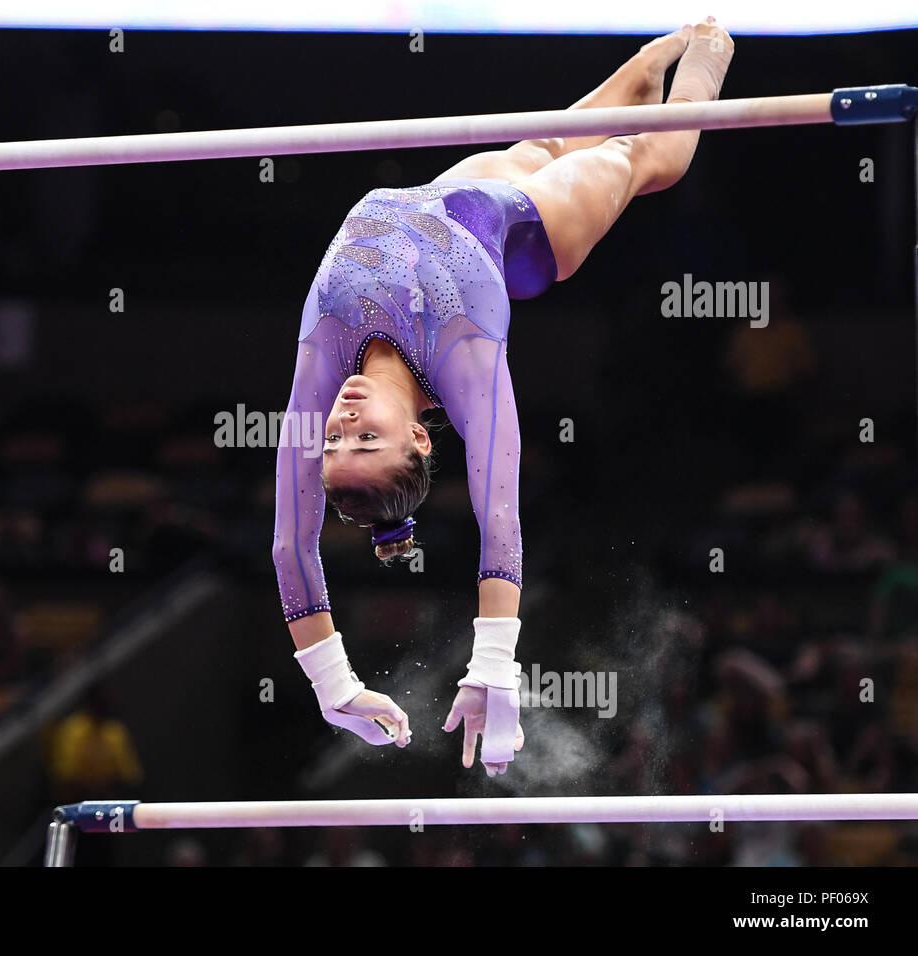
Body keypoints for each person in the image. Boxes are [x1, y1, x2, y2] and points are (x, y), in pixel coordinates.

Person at [273, 21, 734, 774]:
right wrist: (494, 664)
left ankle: (646, 64)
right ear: (421, 439)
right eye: (367, 441)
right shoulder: (462, 355)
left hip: (449, 198)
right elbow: (499, 517)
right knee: (640, 155)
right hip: (516, 237)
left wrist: (334, 684)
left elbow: (292, 542)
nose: (342, 424)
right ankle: (714, 55)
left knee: (548, 144)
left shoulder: (324, 362)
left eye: (334, 442)